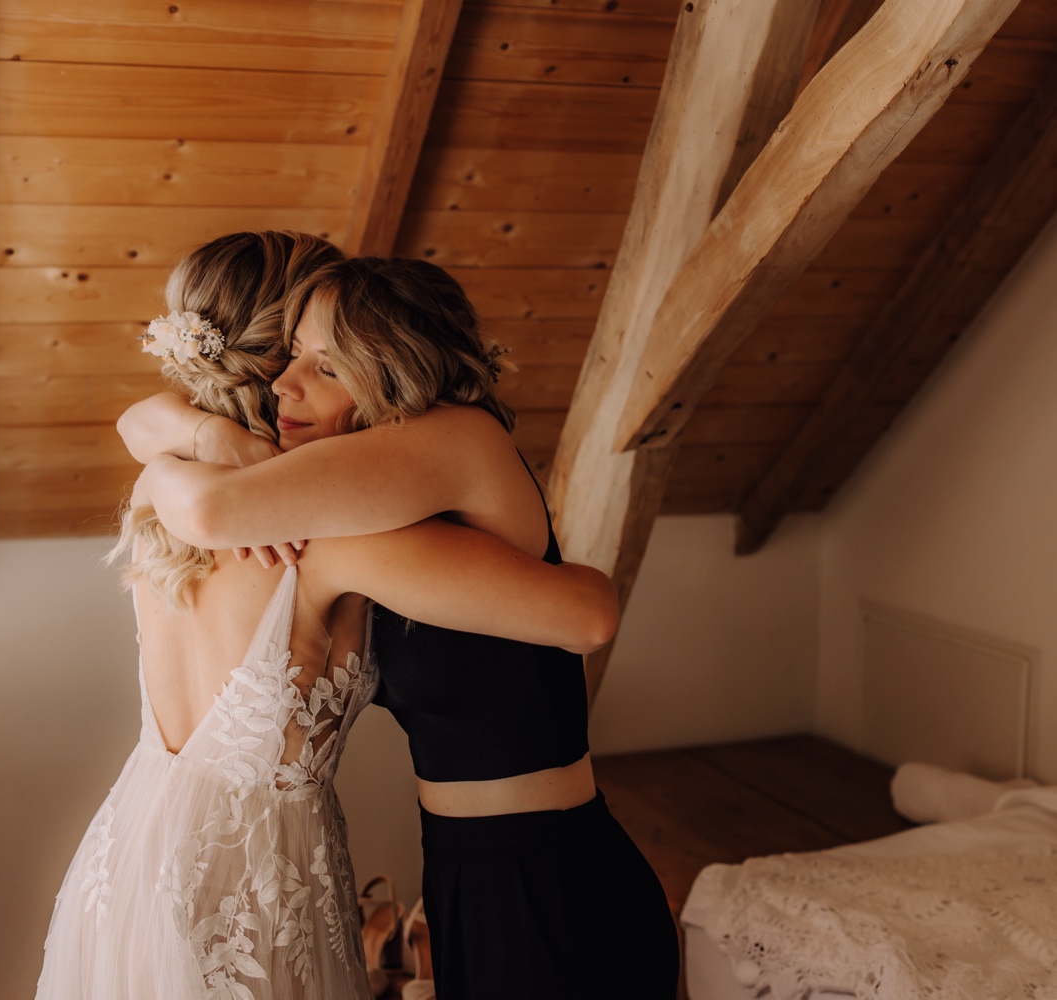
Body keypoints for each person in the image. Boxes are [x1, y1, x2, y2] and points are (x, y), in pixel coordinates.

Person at [36, 233, 621, 1000]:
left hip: (141, 859)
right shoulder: (313, 534)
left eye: (327, 362)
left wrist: (194, 438)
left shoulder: (160, 494)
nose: (291, 385)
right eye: (293, 356)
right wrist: (207, 437)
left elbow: (587, 614)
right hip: (278, 883)